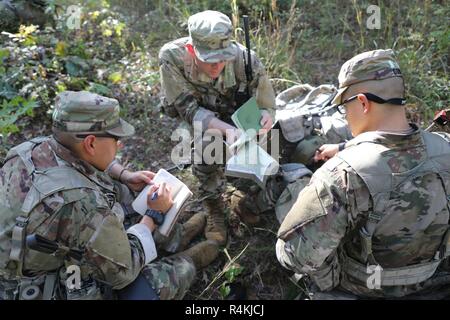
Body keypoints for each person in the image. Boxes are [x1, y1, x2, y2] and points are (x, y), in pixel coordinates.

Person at [0, 91, 219, 300]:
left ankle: (176, 237)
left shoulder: (29, 149)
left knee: (121, 193)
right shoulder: (81, 201)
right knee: (166, 276)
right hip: (40, 286)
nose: (119, 143)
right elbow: (124, 271)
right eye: (115, 138)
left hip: (30, 256)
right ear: (91, 143)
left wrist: (123, 174)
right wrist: (153, 215)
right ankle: (188, 259)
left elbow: (78, 164)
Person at [275, 49, 450, 299]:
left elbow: (296, 258)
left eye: (344, 107)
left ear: (363, 103)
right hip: (433, 282)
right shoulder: (444, 148)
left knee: (292, 194)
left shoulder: (342, 175)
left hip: (362, 288)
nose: (345, 116)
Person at [157, 10, 277, 243]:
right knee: (207, 146)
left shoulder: (246, 61)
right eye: (209, 59)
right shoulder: (172, 58)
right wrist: (227, 130)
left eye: (223, 58)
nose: (217, 66)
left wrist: (265, 117)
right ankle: (213, 206)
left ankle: (245, 197)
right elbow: (188, 110)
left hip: (237, 114)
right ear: (192, 51)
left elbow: (267, 106)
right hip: (202, 115)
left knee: (271, 147)